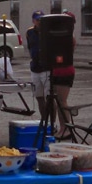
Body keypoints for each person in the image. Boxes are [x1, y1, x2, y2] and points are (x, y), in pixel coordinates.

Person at [51, 11, 76, 140]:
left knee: (62, 101)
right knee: (58, 101)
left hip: (65, 71)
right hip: (57, 71)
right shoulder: (60, 35)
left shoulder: (68, 37)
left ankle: (66, 127)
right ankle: (62, 127)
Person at [26, 10, 51, 121]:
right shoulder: (29, 32)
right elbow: (30, 47)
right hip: (35, 67)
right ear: (33, 21)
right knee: (39, 97)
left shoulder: (48, 31)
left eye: (41, 19)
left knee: (49, 97)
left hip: (46, 68)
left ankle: (52, 123)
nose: (39, 22)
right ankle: (44, 120)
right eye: (37, 20)